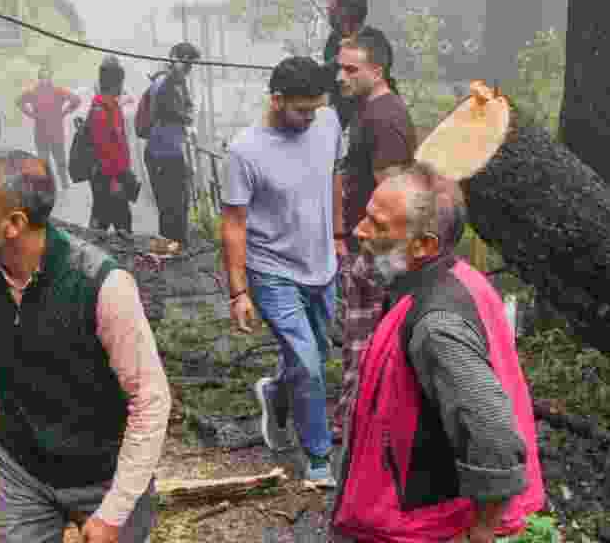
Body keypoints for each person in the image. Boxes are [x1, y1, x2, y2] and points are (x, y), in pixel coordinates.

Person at [0, 150, 170, 543]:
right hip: (24, 471)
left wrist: (114, 512)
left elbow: (150, 400)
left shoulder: (102, 284)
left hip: (104, 475)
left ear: (14, 224)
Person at [332, 162, 545, 543]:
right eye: (366, 216)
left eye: (378, 225)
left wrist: (479, 532)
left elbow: (494, 437)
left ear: (424, 244)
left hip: (424, 525)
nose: (359, 230)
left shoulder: (436, 325)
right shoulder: (456, 276)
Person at [222, 57, 345, 487]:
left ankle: (275, 393)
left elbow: (333, 176)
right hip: (272, 270)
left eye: (316, 109)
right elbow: (234, 223)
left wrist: (339, 234)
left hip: (322, 265)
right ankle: (317, 457)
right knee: (309, 363)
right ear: (276, 100)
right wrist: (239, 292)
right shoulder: (245, 150)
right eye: (302, 111)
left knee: (314, 355)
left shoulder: (328, 123)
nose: (311, 118)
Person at [333, 33, 418, 444]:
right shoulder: (367, 111)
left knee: (365, 348)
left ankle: (357, 436)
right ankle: (359, 430)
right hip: (363, 244)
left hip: (378, 250)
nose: (340, 76)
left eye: (351, 69)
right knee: (358, 345)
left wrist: (383, 256)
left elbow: (393, 195)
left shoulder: (386, 116)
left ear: (378, 70)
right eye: (340, 67)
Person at [145, 43, 199, 254]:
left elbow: (188, 107)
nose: (188, 68)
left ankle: (178, 249)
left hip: (175, 151)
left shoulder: (180, 83)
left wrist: (186, 113)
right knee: (169, 206)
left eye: (190, 65)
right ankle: (166, 252)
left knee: (181, 201)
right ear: (174, 58)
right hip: (161, 153)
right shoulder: (163, 82)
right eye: (185, 62)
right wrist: (184, 115)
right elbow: (171, 110)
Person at [321, 0, 397, 130]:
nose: (328, 9)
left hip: (372, 117)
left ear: (343, 12)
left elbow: (369, 85)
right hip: (343, 115)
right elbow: (328, 80)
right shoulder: (334, 40)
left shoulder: (375, 41)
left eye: (333, 5)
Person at [87, 56, 135, 238]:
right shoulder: (101, 109)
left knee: (107, 222)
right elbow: (103, 149)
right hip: (109, 178)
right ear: (116, 83)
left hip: (114, 176)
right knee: (111, 226)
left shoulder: (111, 106)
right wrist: (115, 180)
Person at [17, 66, 82, 188]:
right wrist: (31, 114)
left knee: (61, 161)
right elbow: (19, 101)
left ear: (51, 78)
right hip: (40, 134)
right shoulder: (32, 92)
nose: (44, 80)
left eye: (47, 77)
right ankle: (50, 187)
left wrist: (65, 112)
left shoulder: (58, 91)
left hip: (56, 133)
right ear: (39, 78)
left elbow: (76, 100)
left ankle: (64, 184)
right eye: (42, 77)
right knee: (44, 163)